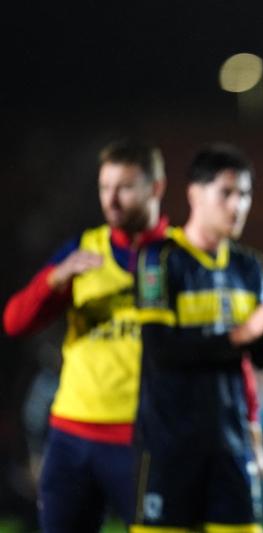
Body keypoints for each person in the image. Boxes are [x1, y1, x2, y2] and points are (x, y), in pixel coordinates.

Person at [2, 140, 168, 531]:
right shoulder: (82, 252)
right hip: (72, 439)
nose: (111, 200)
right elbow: (14, 322)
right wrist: (54, 280)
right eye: (104, 187)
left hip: (145, 441)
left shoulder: (179, 255)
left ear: (156, 188)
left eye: (124, 187)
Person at [131, 143, 263, 532]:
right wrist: (248, 330)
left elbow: (261, 359)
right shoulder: (158, 258)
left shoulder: (249, 266)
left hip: (230, 444)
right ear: (194, 193)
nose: (237, 205)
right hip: (170, 447)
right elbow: (162, 351)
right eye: (226, 192)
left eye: (244, 194)